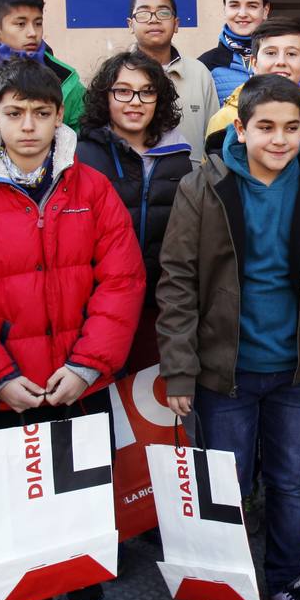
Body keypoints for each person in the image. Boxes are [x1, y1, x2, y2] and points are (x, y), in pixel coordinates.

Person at [0, 58, 145, 600]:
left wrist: (87, 365)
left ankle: (85, 592)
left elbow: (121, 282)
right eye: (14, 114)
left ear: (61, 116)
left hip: (76, 380)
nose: (28, 127)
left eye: (42, 113)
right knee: (20, 499)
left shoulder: (92, 189)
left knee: (82, 494)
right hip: (13, 386)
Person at [156, 74, 300, 600]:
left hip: (297, 369)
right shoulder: (203, 187)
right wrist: (179, 369)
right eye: (266, 128)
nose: (280, 140)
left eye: (292, 128)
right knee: (223, 483)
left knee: (291, 480)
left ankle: (286, 579)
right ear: (241, 129)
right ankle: (218, 589)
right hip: (226, 370)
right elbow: (176, 283)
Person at [73, 50, 193, 368]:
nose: (135, 101)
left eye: (147, 91)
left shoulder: (179, 158)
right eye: (123, 91)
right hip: (96, 308)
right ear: (105, 96)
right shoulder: (80, 156)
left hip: (159, 308)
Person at [126, 0, 217, 163]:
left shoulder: (199, 73)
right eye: (143, 13)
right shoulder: (116, 74)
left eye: (163, 12)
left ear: (176, 24)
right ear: (130, 24)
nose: (154, 19)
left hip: (192, 186)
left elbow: (214, 139)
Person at [206, 18, 300, 145]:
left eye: (291, 54)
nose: (281, 62)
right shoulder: (225, 118)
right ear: (254, 63)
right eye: (271, 53)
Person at [0, 0, 86, 130]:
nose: (32, 33)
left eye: (38, 23)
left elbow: (83, 135)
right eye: (21, 24)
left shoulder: (67, 80)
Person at [200, 0, 271, 106]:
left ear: (265, 10)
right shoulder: (206, 65)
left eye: (252, 6)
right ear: (224, 9)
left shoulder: (281, 59)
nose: (242, 13)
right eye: (234, 5)